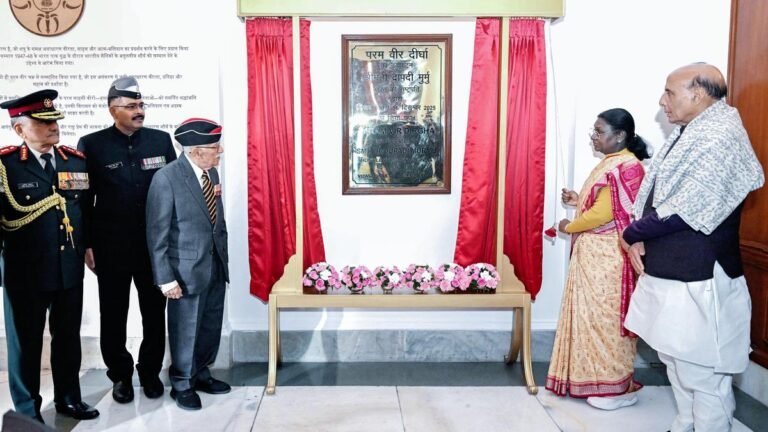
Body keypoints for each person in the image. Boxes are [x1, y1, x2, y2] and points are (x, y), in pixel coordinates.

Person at [622, 63, 764, 432]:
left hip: (700, 272)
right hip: (672, 269)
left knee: (702, 370)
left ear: (698, 94)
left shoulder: (720, 135)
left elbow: (687, 208)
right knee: (674, 358)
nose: (662, 101)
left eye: (669, 92)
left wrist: (632, 232)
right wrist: (638, 234)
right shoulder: (690, 131)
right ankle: (685, 422)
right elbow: (661, 199)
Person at [0, 90, 99, 422]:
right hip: (24, 271)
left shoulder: (76, 160)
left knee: (67, 338)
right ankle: (27, 410)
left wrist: (88, 246)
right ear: (19, 129)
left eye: (54, 120)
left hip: (67, 267)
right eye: (42, 123)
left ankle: (69, 398)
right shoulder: (6, 165)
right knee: (25, 345)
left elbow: (85, 211)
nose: (52, 128)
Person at [76, 76, 176, 403]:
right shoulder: (91, 145)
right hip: (111, 246)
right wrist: (87, 243)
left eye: (141, 105)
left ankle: (149, 372)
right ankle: (120, 375)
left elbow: (174, 194)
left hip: (153, 247)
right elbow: (82, 200)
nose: (139, 111)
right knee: (114, 314)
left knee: (153, 312)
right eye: (131, 106)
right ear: (112, 110)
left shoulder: (160, 141)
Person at [546, 108, 649, 410]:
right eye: (593, 130)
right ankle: (597, 382)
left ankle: (616, 389)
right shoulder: (613, 163)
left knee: (606, 322)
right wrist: (579, 200)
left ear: (619, 136)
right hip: (595, 258)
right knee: (591, 321)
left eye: (599, 131)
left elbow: (605, 215)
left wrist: (569, 225)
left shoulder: (626, 167)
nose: (593, 136)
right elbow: (609, 204)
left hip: (608, 260)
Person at [146, 118, 230, 410]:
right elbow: (156, 233)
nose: (219, 152)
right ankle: (182, 382)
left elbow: (215, 222)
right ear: (194, 151)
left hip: (214, 265)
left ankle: (201, 372)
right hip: (184, 272)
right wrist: (165, 279)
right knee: (186, 329)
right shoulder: (166, 178)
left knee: (209, 325)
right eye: (214, 148)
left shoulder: (212, 174)